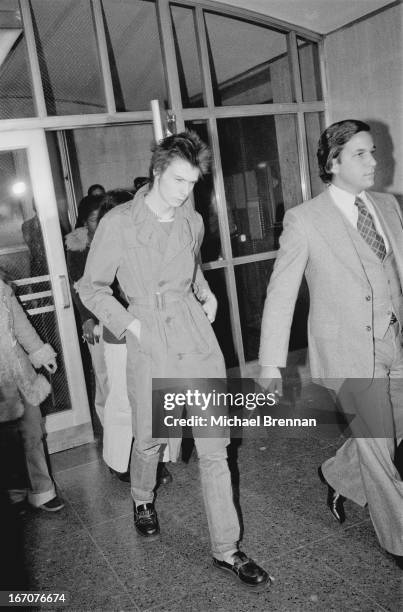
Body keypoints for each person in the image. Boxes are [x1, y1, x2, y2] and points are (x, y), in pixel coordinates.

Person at [79, 131, 270, 589]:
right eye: (179, 180)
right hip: (150, 339)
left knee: (215, 450)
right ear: (159, 171)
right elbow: (90, 287)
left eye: (194, 182)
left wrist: (206, 296)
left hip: (195, 337)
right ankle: (142, 498)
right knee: (150, 438)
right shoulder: (120, 223)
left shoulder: (191, 218)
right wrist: (131, 324)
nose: (186, 191)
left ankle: (227, 549)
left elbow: (193, 263)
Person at [258, 119, 403, 567]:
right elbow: (281, 295)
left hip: (395, 342)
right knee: (380, 449)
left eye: (373, 151)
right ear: (333, 161)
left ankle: (337, 475)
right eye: (360, 154)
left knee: (386, 432)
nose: (374, 161)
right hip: (348, 350)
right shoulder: (305, 219)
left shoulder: (389, 206)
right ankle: (397, 540)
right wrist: (269, 364)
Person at [95, 189, 172, 485]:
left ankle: (157, 461)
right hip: (120, 332)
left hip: (152, 330)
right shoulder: (105, 248)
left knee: (156, 397)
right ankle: (119, 461)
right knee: (122, 399)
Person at [0, 271, 64, 512]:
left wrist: (40, 352)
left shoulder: (1, 287)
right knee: (6, 440)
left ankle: (42, 490)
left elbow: (20, 324)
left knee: (32, 428)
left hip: (18, 371)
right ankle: (14, 495)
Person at [65, 195, 108, 425]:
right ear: (84, 222)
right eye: (93, 219)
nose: (98, 223)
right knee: (103, 375)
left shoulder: (112, 238)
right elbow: (78, 288)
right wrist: (87, 319)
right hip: (95, 318)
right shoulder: (77, 247)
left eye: (102, 218)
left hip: (119, 315)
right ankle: (109, 430)